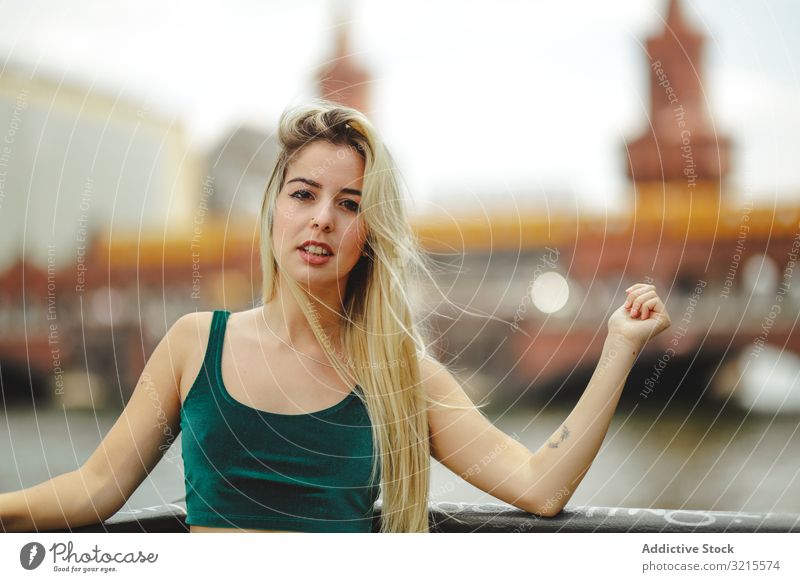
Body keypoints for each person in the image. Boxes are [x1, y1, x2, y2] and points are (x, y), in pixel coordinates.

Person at [0, 99, 671, 533]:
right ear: (273, 212)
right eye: (303, 194)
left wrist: (617, 344)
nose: (322, 217)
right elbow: (94, 486)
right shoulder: (192, 344)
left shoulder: (401, 374)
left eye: (349, 204)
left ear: (368, 233)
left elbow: (539, 485)